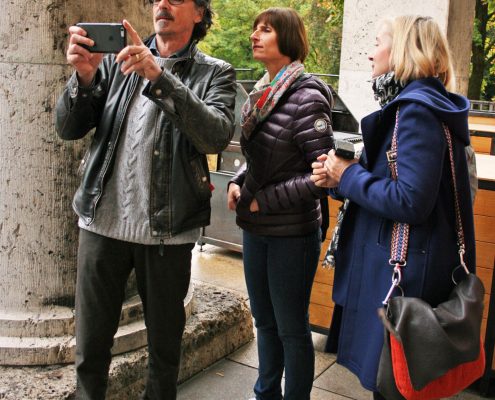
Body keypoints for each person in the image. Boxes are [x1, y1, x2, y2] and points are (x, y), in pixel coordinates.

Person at [55, 0, 236, 398]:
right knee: (90, 351)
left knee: (164, 355)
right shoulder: (116, 63)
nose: (162, 4)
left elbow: (214, 135)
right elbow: (68, 128)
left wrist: (159, 77)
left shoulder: (215, 72)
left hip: (166, 234)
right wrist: (83, 79)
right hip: (101, 223)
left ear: (200, 14)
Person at [311, 15, 476, 399]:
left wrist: (348, 175)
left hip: (401, 281)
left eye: (378, 42)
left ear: (402, 49)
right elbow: (392, 183)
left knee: (394, 386)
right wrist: (339, 179)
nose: (370, 54)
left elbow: (410, 200)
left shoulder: (414, 111)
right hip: (410, 271)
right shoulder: (420, 106)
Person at [227, 7, 334, 400]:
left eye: (266, 30)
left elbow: (323, 177)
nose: (255, 35)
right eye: (255, 28)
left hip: (292, 233)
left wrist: (264, 203)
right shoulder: (262, 92)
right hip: (257, 229)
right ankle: (265, 393)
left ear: (286, 39)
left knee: (291, 328)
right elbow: (262, 159)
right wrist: (238, 182)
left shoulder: (307, 97)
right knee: (265, 323)